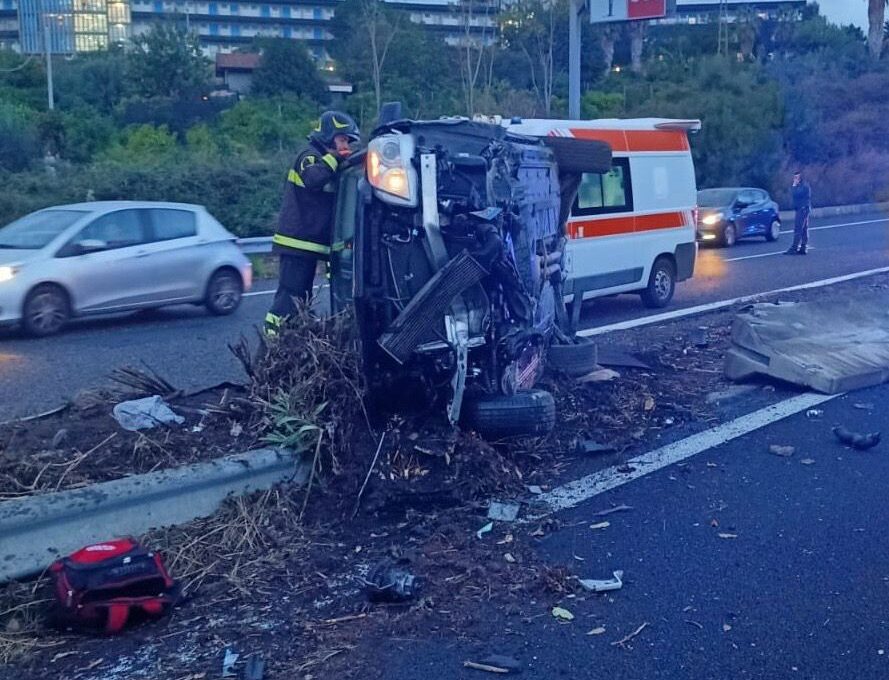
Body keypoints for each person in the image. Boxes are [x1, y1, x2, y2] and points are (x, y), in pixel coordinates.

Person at [265, 111, 360, 336]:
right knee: (290, 296)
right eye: (342, 139)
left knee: (302, 300)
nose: (345, 145)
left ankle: (295, 337)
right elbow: (313, 178)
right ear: (328, 136)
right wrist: (335, 158)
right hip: (296, 243)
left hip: (309, 245)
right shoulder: (308, 157)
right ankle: (273, 341)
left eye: (347, 141)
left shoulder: (330, 165)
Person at [785, 171, 811, 255]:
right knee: (803, 229)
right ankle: (803, 247)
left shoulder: (804, 186)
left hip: (802, 209)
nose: (795, 179)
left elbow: (796, 194)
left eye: (796, 177)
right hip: (802, 209)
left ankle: (794, 247)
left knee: (798, 228)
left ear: (800, 178)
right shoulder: (802, 186)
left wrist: (794, 186)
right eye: (794, 177)